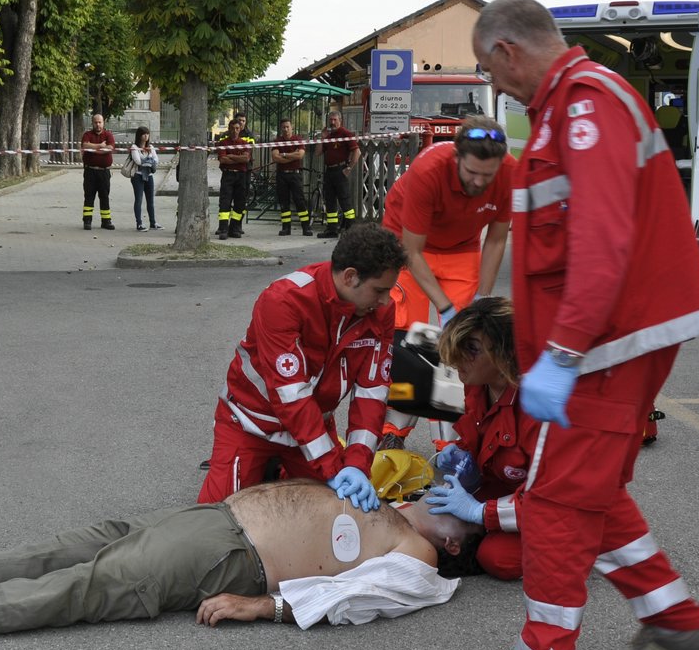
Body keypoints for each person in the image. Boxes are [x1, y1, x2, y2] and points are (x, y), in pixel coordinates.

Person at [438, 0, 699, 650]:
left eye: (490, 73)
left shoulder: (584, 104)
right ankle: (673, 618)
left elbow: (601, 239)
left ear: (507, 52)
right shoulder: (576, 105)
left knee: (557, 503)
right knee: (589, 488)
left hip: (603, 344)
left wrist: (561, 354)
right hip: (609, 340)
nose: (496, 90)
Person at [0, 480, 483, 639]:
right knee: (74, 545)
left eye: (457, 502)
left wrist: (266, 607)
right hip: (216, 519)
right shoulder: (400, 506)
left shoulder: (421, 558)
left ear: (455, 541)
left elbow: (360, 598)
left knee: (85, 585)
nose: (443, 492)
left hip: (235, 555)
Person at [197, 224, 405, 510]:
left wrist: (357, 464)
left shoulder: (380, 310)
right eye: (379, 290)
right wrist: (331, 468)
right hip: (251, 424)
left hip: (314, 428)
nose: (385, 300)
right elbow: (290, 395)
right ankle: (271, 472)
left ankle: (278, 475)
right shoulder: (284, 300)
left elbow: (372, 392)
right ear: (350, 277)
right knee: (219, 518)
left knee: (339, 517)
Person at [378, 114, 516, 449]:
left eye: (488, 175)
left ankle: (451, 443)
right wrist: (445, 307)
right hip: (406, 245)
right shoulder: (428, 171)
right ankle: (393, 432)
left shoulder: (511, 173)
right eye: (471, 173)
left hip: (460, 248)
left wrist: (481, 299)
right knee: (407, 342)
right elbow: (412, 250)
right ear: (456, 158)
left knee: (460, 348)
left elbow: (496, 241)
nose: (479, 183)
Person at [420, 297, 541, 581]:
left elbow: (550, 497)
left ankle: (582, 544)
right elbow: (481, 436)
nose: (459, 358)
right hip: (505, 487)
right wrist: (461, 452)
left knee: (497, 557)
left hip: (552, 501)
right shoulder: (477, 384)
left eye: (472, 349)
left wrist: (480, 512)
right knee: (433, 510)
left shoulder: (538, 408)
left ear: (506, 354)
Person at [315, 108, 360, 238]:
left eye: (335, 120)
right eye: (330, 120)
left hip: (340, 171)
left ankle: (351, 229)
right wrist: (322, 139)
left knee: (345, 201)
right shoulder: (328, 136)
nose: (332, 122)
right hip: (329, 171)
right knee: (330, 201)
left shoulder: (346, 134)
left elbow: (357, 152)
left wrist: (349, 168)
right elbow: (318, 153)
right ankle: (332, 229)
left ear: (340, 121)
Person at [215, 112, 254, 239]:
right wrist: (238, 158)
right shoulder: (223, 142)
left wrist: (230, 156)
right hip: (228, 176)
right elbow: (223, 160)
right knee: (225, 203)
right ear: (229, 129)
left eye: (237, 128)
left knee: (240, 203)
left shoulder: (244, 142)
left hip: (241, 176)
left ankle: (235, 228)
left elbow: (246, 159)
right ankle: (223, 230)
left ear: (240, 129)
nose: (235, 131)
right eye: (232, 128)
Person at [271, 117, 310, 236]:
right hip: (282, 175)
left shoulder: (298, 139)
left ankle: (306, 227)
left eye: (288, 127)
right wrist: (290, 156)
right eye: (283, 127)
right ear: (280, 128)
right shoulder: (277, 141)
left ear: (292, 127)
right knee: (284, 202)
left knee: (300, 201)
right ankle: (286, 228)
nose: (286, 129)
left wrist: (284, 155)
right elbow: (275, 158)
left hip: (295, 174)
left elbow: (300, 155)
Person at [80, 112, 117, 230]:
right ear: (92, 123)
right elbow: (85, 146)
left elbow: (110, 148)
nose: (98, 124)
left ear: (103, 123)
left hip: (104, 172)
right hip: (90, 172)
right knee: (89, 196)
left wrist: (94, 148)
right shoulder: (87, 134)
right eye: (95, 122)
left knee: (104, 196)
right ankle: (87, 221)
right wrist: (100, 145)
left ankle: (106, 221)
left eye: (100, 122)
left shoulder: (108, 135)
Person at [128, 126, 162, 231]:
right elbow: (138, 161)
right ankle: (139, 223)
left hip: (149, 176)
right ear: (139, 135)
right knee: (138, 199)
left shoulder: (150, 147)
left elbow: (156, 160)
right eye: (144, 134)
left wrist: (148, 161)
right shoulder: (134, 147)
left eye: (147, 134)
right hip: (138, 176)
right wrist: (150, 160)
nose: (146, 136)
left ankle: (153, 222)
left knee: (150, 200)